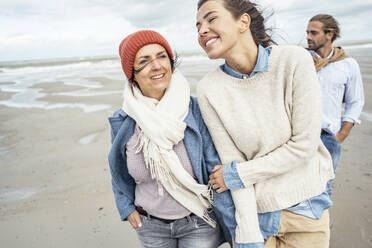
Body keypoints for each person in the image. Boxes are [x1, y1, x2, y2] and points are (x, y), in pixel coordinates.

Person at [195, 0, 335, 247]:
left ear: (243, 22)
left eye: (211, 19)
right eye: (198, 26)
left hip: (306, 210)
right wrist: (248, 234)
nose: (202, 30)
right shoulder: (208, 89)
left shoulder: (293, 60)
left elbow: (304, 145)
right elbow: (231, 164)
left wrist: (240, 173)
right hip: (258, 220)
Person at [108, 30, 226, 248]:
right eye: (144, 61)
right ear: (132, 74)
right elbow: (118, 172)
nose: (156, 66)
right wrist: (125, 206)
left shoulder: (196, 109)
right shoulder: (124, 121)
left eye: (162, 56)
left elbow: (214, 163)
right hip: (151, 226)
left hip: (198, 220)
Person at [306, 14, 364, 195]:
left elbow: (356, 101)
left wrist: (342, 133)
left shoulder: (347, 64)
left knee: (324, 188)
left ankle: (321, 223)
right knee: (298, 187)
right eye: (307, 32)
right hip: (300, 136)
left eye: (313, 33)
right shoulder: (301, 60)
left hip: (329, 137)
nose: (308, 37)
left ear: (329, 34)